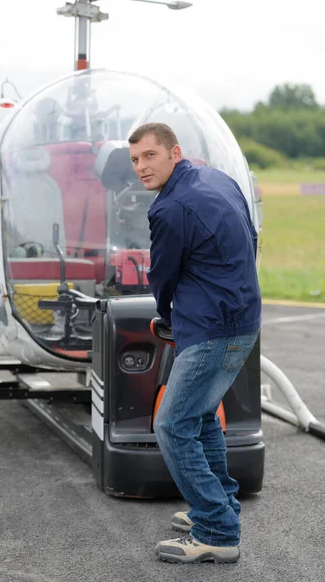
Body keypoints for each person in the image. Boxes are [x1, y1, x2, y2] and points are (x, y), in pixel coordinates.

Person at [128, 122, 261, 564]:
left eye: (149, 156)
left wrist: (167, 317)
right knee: (201, 417)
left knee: (171, 424)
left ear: (173, 152)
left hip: (212, 330)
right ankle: (218, 507)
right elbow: (252, 236)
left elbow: (162, 276)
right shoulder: (217, 179)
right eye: (134, 160)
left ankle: (217, 530)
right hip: (242, 318)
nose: (141, 167)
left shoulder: (170, 209)